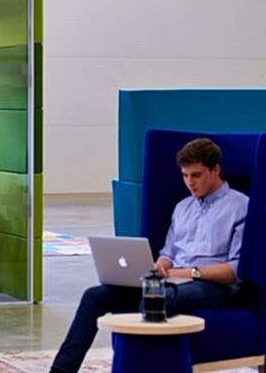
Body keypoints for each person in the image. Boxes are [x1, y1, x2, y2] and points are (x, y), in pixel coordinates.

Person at [50, 138, 248, 373]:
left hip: (213, 286)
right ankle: (61, 370)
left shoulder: (240, 206)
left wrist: (186, 273)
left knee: (157, 297)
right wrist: (160, 265)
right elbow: (169, 252)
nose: (190, 183)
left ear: (216, 170)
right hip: (174, 280)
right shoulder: (183, 207)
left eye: (196, 175)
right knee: (95, 296)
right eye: (185, 176)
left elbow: (236, 270)